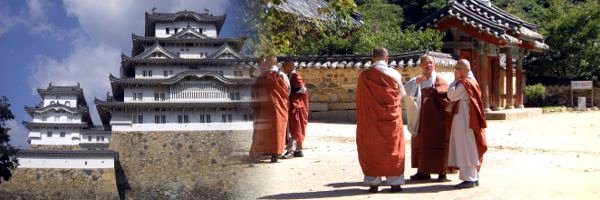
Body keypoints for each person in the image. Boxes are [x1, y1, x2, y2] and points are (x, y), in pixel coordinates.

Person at [356, 48, 407, 193]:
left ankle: (373, 183)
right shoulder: (394, 74)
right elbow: (401, 95)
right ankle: (395, 183)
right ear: (387, 58)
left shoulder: (364, 76)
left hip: (370, 120)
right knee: (393, 147)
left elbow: (360, 99)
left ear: (372, 58)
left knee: (372, 147)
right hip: (391, 120)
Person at [404, 55, 451, 182]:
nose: (428, 65)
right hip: (422, 118)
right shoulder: (417, 80)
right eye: (425, 63)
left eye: (431, 63)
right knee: (422, 144)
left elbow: (447, 97)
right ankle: (423, 171)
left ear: (434, 65)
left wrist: (433, 94)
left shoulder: (441, 80)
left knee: (439, 143)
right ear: (421, 66)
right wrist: (416, 84)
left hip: (437, 119)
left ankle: (442, 172)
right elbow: (406, 92)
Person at [447, 59, 488, 188]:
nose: (455, 71)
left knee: (465, 146)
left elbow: (451, 95)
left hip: (465, 118)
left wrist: (454, 80)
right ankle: (473, 176)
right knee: (469, 146)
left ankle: (469, 178)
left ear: (463, 70)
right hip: (467, 117)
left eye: (457, 69)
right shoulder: (471, 80)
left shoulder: (465, 83)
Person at [249, 55, 290, 163]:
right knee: (278, 130)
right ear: (276, 63)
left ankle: (259, 153)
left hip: (264, 108)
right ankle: (275, 154)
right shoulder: (282, 75)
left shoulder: (261, 77)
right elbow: (288, 90)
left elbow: (255, 91)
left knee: (264, 130)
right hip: (279, 107)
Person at [281, 61, 309, 159]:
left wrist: (288, 92)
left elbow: (302, 89)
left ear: (289, 66)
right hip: (292, 105)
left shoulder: (295, 75)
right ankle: (298, 150)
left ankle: (291, 151)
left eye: (284, 66)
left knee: (294, 128)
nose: (283, 68)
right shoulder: (289, 75)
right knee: (294, 128)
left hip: (296, 106)